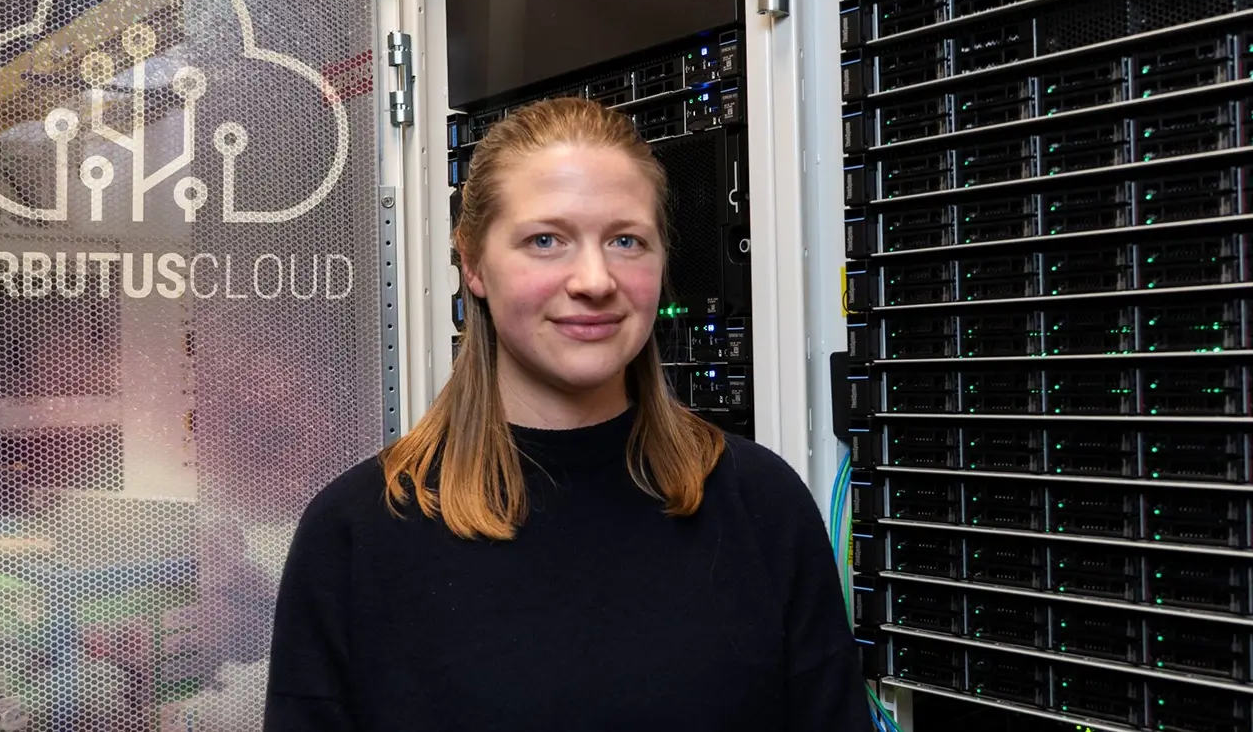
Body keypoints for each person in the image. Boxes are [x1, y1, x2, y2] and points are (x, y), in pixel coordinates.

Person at [262, 97, 872, 731]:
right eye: (545, 240)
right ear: (472, 263)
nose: (594, 279)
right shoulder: (358, 532)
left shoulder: (760, 505)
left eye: (626, 240)